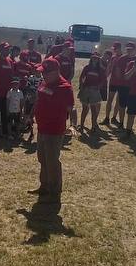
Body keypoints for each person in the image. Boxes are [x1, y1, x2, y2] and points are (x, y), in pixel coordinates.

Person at [32, 59, 75, 202]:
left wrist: (73, 125)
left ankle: (54, 192)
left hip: (54, 130)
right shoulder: (45, 83)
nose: (43, 75)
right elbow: (39, 100)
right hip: (42, 128)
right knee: (42, 159)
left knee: (52, 162)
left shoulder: (64, 87)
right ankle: (44, 186)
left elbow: (71, 108)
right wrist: (30, 114)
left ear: (56, 72)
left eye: (45, 72)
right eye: (42, 72)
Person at [77, 53, 106, 134]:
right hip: (86, 89)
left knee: (93, 110)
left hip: (94, 91)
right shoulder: (87, 67)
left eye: (96, 58)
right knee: (84, 109)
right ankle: (81, 126)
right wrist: (81, 86)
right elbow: (82, 77)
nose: (95, 59)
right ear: (91, 58)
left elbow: (103, 80)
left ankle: (93, 127)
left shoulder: (100, 69)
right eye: (93, 58)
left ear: (98, 59)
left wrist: (98, 87)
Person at [108, 44, 136, 126]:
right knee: (121, 104)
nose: (129, 51)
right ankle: (120, 122)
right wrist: (122, 80)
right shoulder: (122, 58)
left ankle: (126, 125)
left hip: (132, 86)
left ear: (134, 50)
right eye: (128, 49)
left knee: (128, 105)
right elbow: (117, 71)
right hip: (122, 84)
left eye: (131, 49)